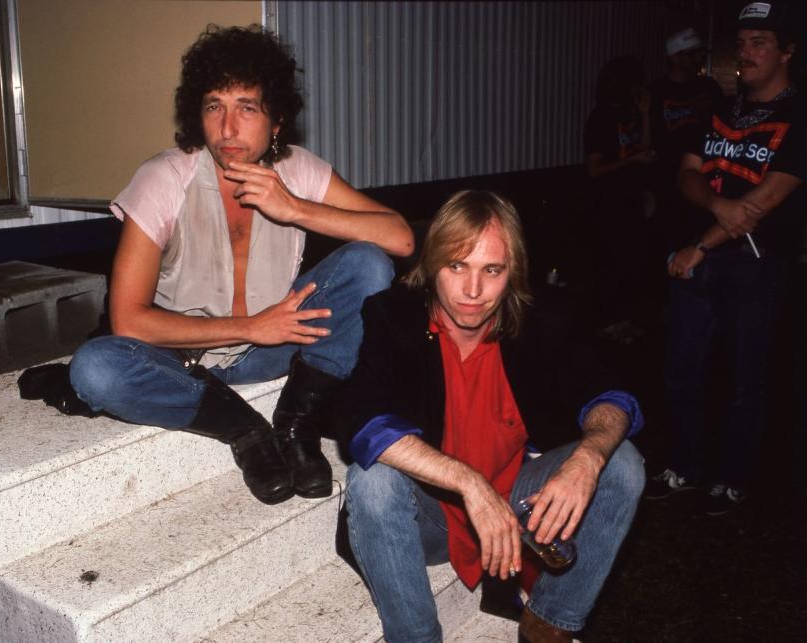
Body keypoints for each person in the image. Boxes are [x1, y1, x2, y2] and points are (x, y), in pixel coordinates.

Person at [69, 25, 414, 505]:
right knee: (95, 370)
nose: (227, 128)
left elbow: (400, 238)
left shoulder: (298, 170)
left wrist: (295, 208)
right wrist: (254, 326)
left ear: (276, 123)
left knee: (367, 263)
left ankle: (296, 422)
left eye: (246, 108)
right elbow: (128, 319)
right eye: (215, 106)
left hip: (269, 351)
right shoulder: (164, 178)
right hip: (179, 358)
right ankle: (247, 431)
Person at [335, 191, 645, 643]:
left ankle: (549, 625)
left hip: (519, 500)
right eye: (456, 266)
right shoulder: (393, 315)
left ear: (511, 272)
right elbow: (360, 420)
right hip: (434, 512)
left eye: (491, 270)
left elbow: (614, 396)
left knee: (623, 462)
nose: (473, 291)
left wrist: (588, 459)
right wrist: (469, 483)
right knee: (373, 481)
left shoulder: (541, 320)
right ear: (432, 263)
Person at [649, 2, 804, 515]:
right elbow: (686, 172)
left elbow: (766, 202)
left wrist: (701, 244)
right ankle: (685, 466)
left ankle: (734, 478)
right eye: (740, 43)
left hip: (757, 264)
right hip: (699, 261)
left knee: (746, 377)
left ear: (787, 50)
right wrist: (718, 204)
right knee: (682, 370)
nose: (746, 52)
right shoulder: (715, 111)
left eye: (760, 42)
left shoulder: (797, 117)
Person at [583, 55, 656, 342]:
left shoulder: (630, 114)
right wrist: (633, 160)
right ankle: (607, 324)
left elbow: (646, 152)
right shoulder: (600, 118)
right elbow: (594, 169)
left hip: (630, 200)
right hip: (607, 203)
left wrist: (647, 114)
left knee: (631, 263)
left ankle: (623, 321)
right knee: (610, 265)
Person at [648, 27, 724, 262]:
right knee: (666, 242)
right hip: (666, 180)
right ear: (674, 56)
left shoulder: (709, 88)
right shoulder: (656, 91)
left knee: (700, 238)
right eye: (691, 54)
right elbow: (649, 135)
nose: (698, 59)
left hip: (702, 177)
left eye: (699, 53)